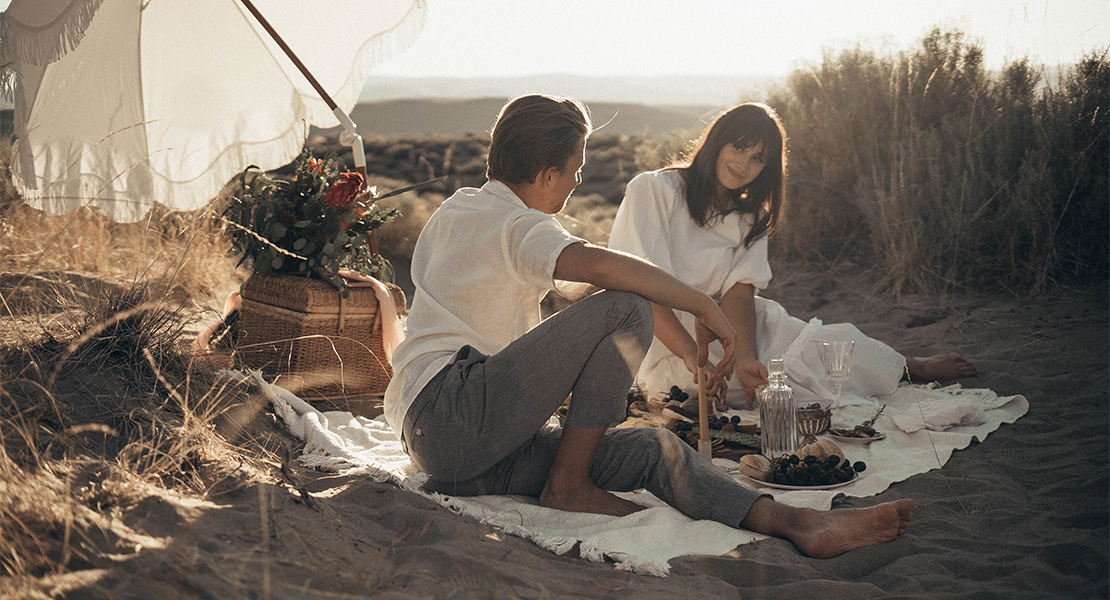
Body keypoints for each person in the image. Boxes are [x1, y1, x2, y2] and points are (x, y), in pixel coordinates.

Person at [383, 94, 913, 558]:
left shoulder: (457, 211)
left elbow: (560, 307)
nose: (578, 181)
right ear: (547, 175)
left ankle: (797, 522)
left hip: (465, 452)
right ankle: (569, 486)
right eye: (576, 169)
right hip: (452, 411)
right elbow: (603, 270)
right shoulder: (514, 223)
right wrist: (703, 308)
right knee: (627, 307)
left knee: (648, 448)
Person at [608, 102, 977, 409]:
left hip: (730, 328)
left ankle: (905, 367)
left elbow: (738, 293)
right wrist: (693, 354)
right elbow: (642, 287)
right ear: (717, 141)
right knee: (710, 389)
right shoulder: (654, 189)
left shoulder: (750, 215)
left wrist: (745, 355)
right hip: (658, 332)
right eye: (739, 147)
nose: (744, 165)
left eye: (758, 159)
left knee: (820, 351)